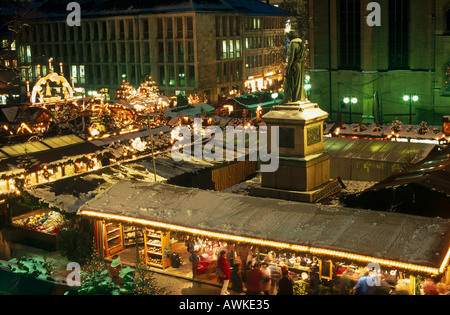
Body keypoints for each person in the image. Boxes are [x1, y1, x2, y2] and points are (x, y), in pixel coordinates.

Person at [282, 31, 307, 104]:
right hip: (301, 65)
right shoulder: (301, 43)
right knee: (300, 81)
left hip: (295, 65)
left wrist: (288, 66)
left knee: (293, 82)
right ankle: (300, 97)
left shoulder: (293, 43)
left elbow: (291, 57)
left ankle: (293, 98)